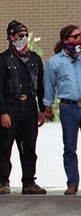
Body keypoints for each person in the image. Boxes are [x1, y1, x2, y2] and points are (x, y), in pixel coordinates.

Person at [0, 20, 47, 195]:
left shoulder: (35, 58)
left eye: (25, 36)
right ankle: (1, 181)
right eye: (18, 36)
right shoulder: (2, 59)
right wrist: (3, 112)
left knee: (29, 146)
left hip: (30, 105)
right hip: (10, 105)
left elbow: (41, 85)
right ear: (10, 37)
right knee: (4, 146)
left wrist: (42, 109)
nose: (22, 39)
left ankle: (29, 182)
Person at [43, 25, 81, 195]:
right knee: (69, 147)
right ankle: (72, 183)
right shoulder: (54, 62)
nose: (79, 38)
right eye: (75, 36)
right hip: (68, 108)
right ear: (66, 40)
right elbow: (49, 86)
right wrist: (47, 108)